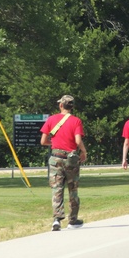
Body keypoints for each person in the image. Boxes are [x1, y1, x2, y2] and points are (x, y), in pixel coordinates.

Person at [40, 94, 88, 231]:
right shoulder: (76, 121)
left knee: (57, 189)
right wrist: (84, 152)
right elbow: (78, 141)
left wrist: (54, 143)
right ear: (72, 107)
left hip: (55, 157)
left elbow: (43, 141)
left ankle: (56, 219)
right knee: (73, 189)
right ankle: (72, 220)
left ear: (61, 105)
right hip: (71, 159)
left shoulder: (51, 119)